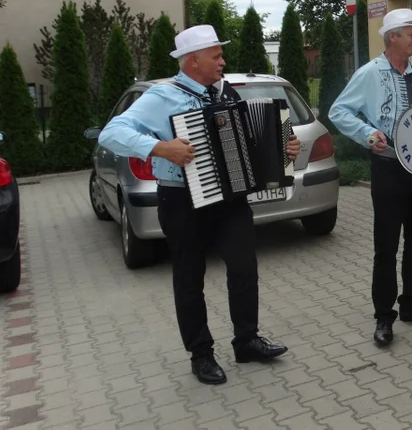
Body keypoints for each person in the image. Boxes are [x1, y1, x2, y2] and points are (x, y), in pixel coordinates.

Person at [98, 25, 300, 384]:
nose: (223, 61)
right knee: (190, 277)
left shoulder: (225, 92)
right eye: (216, 56)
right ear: (193, 60)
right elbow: (111, 133)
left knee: (244, 268)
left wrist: (286, 146)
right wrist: (159, 147)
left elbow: (257, 139)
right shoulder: (163, 96)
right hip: (181, 199)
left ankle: (246, 340)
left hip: (231, 199)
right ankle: (201, 354)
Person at [328, 8, 412, 347]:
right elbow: (338, 110)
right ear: (393, 36)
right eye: (411, 33)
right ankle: (383, 316)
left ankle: (410, 304)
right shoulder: (370, 73)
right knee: (387, 246)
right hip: (389, 167)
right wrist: (366, 133)